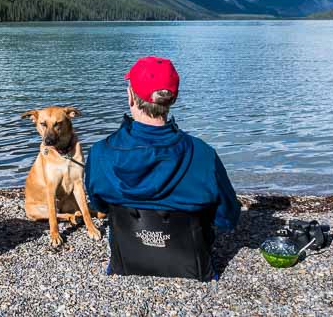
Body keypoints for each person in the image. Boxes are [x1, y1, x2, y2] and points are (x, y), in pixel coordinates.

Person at [85, 55, 240, 248]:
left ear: (131, 97)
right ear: (172, 98)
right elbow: (227, 217)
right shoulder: (203, 154)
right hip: (191, 258)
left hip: (128, 253)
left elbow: (99, 204)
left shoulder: (100, 153)